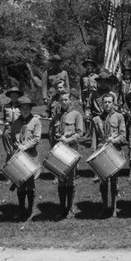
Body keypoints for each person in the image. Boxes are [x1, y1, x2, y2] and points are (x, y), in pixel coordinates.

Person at [94, 93, 127, 217]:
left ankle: (114, 207)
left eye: (109, 102)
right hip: (102, 152)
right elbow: (95, 138)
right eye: (105, 102)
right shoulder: (97, 119)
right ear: (102, 104)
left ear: (113, 103)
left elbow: (123, 135)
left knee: (114, 181)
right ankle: (104, 206)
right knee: (103, 182)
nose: (107, 104)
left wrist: (114, 140)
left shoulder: (119, 117)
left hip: (114, 151)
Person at [9, 96, 41, 221]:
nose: (26, 110)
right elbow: (13, 139)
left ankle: (30, 210)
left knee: (30, 185)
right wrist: (17, 145)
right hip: (20, 156)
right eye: (23, 108)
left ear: (31, 108)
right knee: (20, 184)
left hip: (31, 155)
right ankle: (21, 209)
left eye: (28, 107)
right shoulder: (15, 123)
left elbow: (36, 139)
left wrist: (26, 146)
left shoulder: (36, 121)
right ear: (19, 109)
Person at [52, 91, 84, 219]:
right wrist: (58, 137)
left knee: (70, 179)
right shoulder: (57, 117)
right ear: (59, 102)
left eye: (66, 99)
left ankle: (70, 208)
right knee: (61, 179)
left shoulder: (76, 115)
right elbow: (53, 134)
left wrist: (68, 139)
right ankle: (61, 208)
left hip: (71, 149)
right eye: (62, 100)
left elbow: (80, 132)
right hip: (60, 150)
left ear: (70, 100)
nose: (64, 102)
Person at [0, 87, 23, 160]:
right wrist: (0, 122)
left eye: (16, 95)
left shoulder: (22, 105)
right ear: (10, 96)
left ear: (18, 96)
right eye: (12, 95)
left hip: (18, 129)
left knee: (18, 148)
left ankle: (18, 165)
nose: (14, 97)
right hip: (8, 129)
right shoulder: (5, 106)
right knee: (9, 150)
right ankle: (8, 167)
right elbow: (2, 119)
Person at [79, 58, 99, 136]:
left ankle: (94, 131)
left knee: (95, 114)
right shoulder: (83, 77)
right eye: (87, 65)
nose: (89, 67)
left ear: (93, 67)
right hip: (85, 97)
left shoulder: (97, 76)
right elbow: (80, 88)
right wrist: (80, 98)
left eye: (91, 65)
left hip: (94, 98)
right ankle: (87, 132)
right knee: (86, 116)